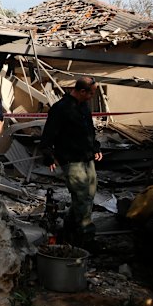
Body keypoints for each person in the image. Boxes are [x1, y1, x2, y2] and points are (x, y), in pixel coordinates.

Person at [39, 76, 103, 249]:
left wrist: (95, 148)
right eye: (91, 93)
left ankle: (67, 230)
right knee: (82, 197)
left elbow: (89, 131)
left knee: (88, 196)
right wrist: (48, 156)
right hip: (71, 160)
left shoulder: (83, 107)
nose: (91, 97)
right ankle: (86, 239)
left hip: (87, 158)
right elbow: (48, 135)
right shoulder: (60, 109)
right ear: (82, 91)